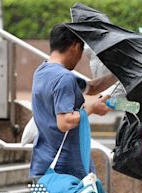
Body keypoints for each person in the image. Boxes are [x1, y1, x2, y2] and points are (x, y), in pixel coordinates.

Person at [31, 23, 113, 180]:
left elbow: (91, 87)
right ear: (76, 46)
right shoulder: (65, 77)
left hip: (44, 163)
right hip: (66, 169)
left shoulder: (42, 71)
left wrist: (119, 75)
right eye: (82, 50)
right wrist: (92, 108)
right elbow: (65, 121)